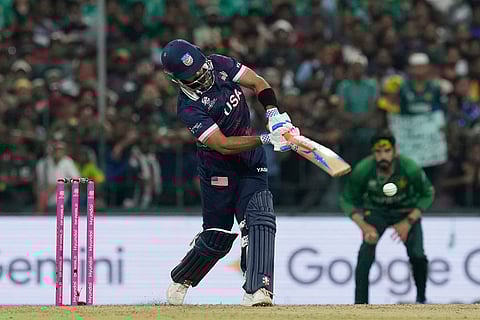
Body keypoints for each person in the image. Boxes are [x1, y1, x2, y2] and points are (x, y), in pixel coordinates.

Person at [160, 39, 299, 306]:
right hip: (219, 169)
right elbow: (222, 145)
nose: (201, 78)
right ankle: (182, 277)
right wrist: (267, 139)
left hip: (250, 161)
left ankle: (258, 289)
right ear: (177, 80)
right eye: (192, 77)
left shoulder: (220, 64)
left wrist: (274, 113)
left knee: (260, 219)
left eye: (201, 70)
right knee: (218, 237)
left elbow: (259, 82)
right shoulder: (188, 108)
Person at [339, 129, 435, 304]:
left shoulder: (409, 167)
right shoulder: (363, 170)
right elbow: (346, 200)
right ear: (373, 153)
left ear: (395, 151)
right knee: (364, 255)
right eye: (378, 152)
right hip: (376, 213)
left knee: (418, 255)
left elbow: (428, 193)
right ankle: (360, 305)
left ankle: (421, 300)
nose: (382, 156)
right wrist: (364, 226)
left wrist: (409, 221)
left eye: (387, 151)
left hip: (405, 212)